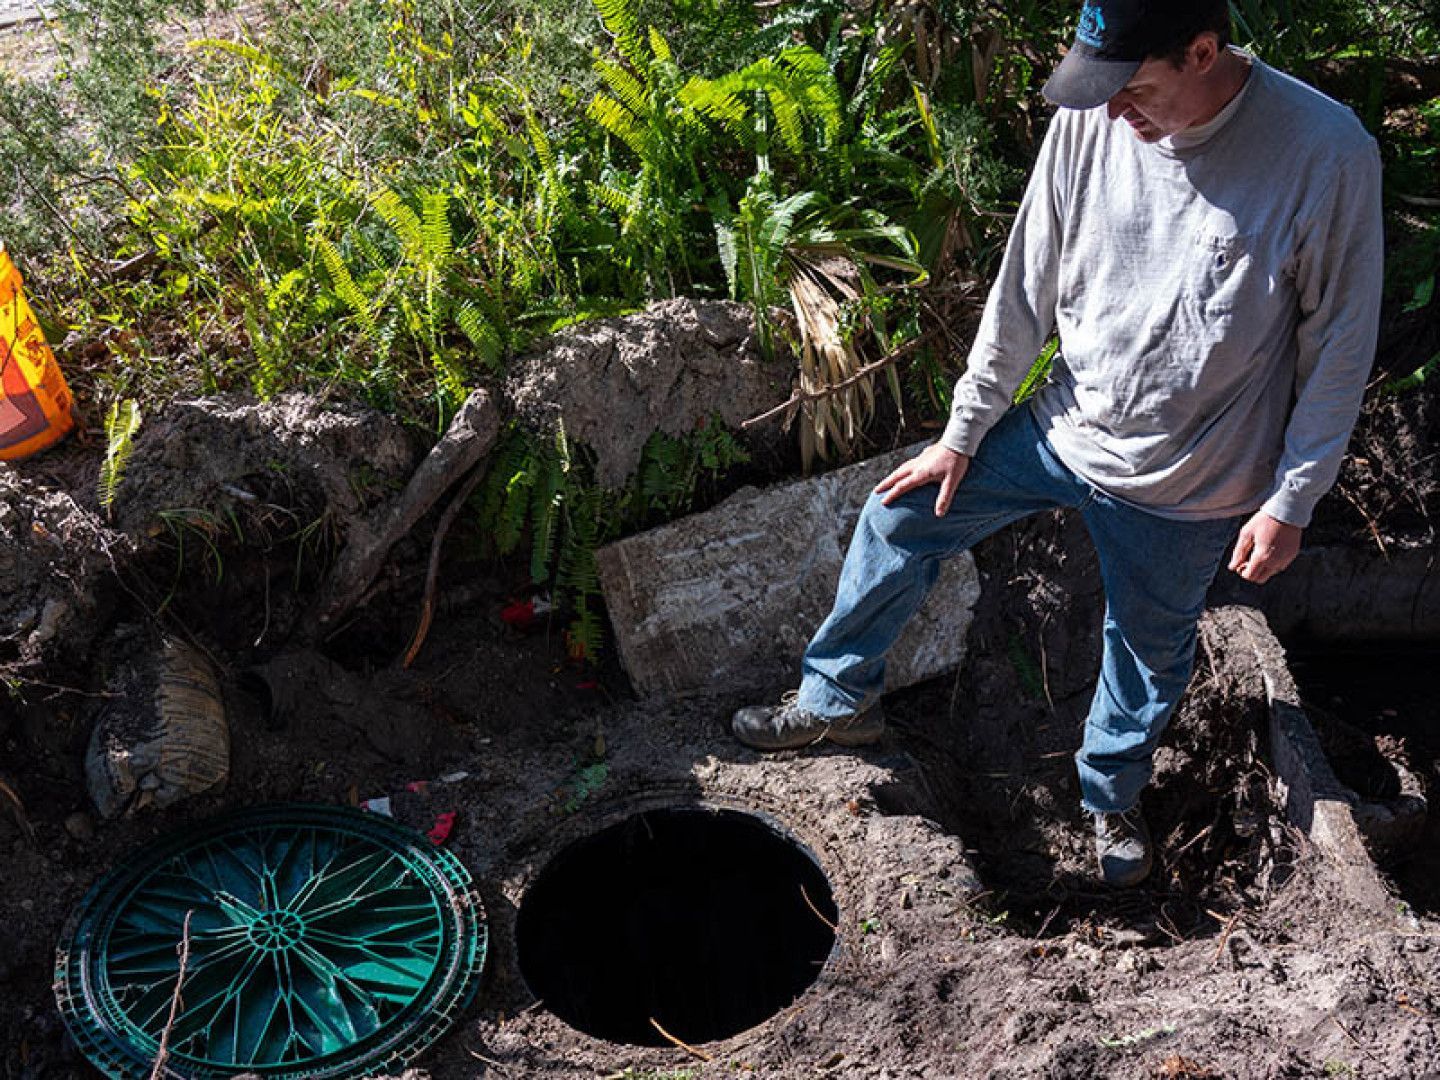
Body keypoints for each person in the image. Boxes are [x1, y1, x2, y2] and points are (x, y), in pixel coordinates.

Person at [731, 0, 1383, 887]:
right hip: (1064, 425)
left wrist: (1292, 499)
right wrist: (963, 432)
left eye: (1135, 89)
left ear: (1202, 51)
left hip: (1194, 480)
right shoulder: (1092, 119)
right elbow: (1025, 281)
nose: (1113, 111)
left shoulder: (1323, 151)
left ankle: (1110, 796)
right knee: (901, 516)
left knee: (1145, 654)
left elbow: (1339, 346)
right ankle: (836, 699)